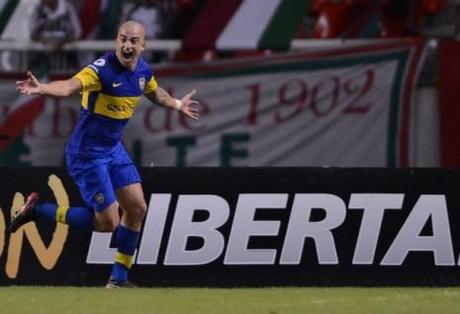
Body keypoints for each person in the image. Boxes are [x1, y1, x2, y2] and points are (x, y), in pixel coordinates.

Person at [11, 20, 200, 288]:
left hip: (113, 150)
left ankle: (119, 279)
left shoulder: (143, 72)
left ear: (143, 46)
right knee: (107, 223)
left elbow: (155, 92)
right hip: (87, 154)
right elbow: (67, 87)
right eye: (123, 39)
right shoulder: (100, 71)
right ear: (116, 42)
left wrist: (178, 104)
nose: (127, 45)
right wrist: (42, 87)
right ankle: (37, 210)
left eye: (133, 41)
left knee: (136, 208)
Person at [28, 0, 82, 70]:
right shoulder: (39, 9)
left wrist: (62, 42)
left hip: (66, 62)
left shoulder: (67, 8)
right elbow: (32, 33)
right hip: (43, 61)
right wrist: (43, 39)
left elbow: (77, 32)